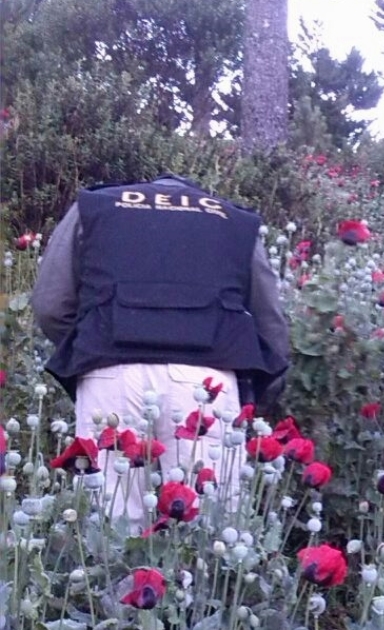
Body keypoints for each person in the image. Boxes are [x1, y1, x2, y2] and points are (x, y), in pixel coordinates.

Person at [32, 173, 290, 528]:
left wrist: (91, 349)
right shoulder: (235, 219)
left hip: (110, 375)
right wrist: (260, 393)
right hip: (206, 385)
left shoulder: (94, 206)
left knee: (113, 535)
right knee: (205, 538)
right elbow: (271, 326)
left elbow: (50, 306)